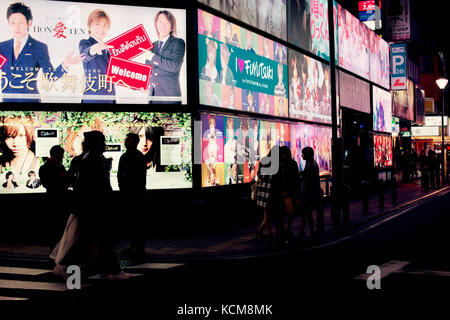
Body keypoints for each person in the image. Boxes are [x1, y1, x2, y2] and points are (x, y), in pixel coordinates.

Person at [57, 131, 130, 280]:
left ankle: (65, 266)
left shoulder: (90, 158)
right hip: (95, 208)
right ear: (96, 144)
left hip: (91, 207)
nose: (104, 144)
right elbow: (97, 187)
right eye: (102, 142)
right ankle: (113, 271)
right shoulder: (93, 160)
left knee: (91, 241)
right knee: (96, 240)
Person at [0, 2, 83, 102]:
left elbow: (50, 77)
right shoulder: (2, 47)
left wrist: (65, 64)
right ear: (8, 23)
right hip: (7, 102)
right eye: (13, 23)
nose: (17, 27)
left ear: (29, 23)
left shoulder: (39, 47)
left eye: (21, 23)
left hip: (31, 103)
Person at [142, 10, 186, 104]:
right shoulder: (151, 46)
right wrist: (143, 85)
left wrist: (152, 56)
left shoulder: (178, 42)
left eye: (166, 22)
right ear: (156, 24)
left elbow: (174, 66)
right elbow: (147, 71)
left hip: (170, 99)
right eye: (160, 22)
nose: (163, 25)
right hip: (152, 98)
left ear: (171, 26)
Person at [118, 133, 147, 262]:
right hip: (128, 193)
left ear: (134, 142)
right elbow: (120, 174)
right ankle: (134, 244)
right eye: (126, 140)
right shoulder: (125, 156)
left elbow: (139, 178)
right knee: (132, 221)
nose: (126, 142)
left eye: (128, 140)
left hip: (136, 193)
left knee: (137, 221)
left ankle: (139, 246)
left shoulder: (137, 157)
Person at [79, 9, 115, 103]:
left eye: (104, 25)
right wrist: (94, 48)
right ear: (89, 26)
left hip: (110, 99)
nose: (101, 29)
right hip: (93, 99)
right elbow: (85, 54)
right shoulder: (86, 43)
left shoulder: (109, 50)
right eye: (97, 24)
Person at [39, 145, 69, 248]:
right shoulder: (56, 167)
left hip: (53, 198)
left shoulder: (44, 168)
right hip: (56, 199)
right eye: (60, 156)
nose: (61, 159)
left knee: (56, 228)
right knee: (57, 227)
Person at [271, 145, 299, 246]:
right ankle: (282, 233)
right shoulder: (291, 164)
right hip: (283, 194)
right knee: (283, 215)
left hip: (286, 194)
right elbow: (295, 180)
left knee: (284, 214)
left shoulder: (280, 165)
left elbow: (276, 180)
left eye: (284, 155)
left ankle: (282, 233)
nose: (283, 157)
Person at [298, 147, 321, 241]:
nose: (301, 155)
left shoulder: (311, 165)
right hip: (310, 193)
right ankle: (304, 231)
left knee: (307, 213)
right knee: (306, 213)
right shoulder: (311, 164)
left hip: (309, 194)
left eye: (303, 154)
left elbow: (309, 182)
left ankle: (309, 231)